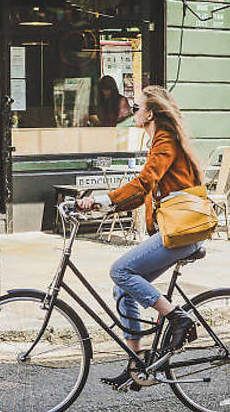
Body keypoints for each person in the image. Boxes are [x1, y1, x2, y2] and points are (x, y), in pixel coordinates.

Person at [76, 86, 204, 387]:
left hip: (180, 232)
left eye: (137, 107)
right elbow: (143, 191)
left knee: (120, 270)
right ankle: (137, 366)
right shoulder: (159, 140)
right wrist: (103, 206)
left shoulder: (165, 139)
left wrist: (105, 198)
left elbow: (145, 180)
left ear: (150, 113)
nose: (133, 111)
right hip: (174, 230)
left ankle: (177, 316)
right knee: (124, 290)